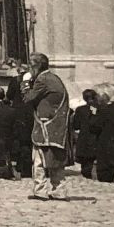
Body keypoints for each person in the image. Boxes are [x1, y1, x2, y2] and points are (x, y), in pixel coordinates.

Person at [25, 53, 71, 202]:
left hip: (46, 125)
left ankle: (40, 191)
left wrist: (25, 84)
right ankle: (59, 190)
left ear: (37, 66)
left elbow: (28, 98)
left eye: (31, 66)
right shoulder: (54, 78)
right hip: (57, 124)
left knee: (39, 160)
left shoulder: (42, 79)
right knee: (55, 160)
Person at [72, 90, 102, 179]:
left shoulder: (80, 109)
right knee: (90, 158)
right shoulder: (95, 109)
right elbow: (95, 121)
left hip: (82, 138)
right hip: (93, 137)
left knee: (84, 160)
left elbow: (76, 125)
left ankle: (86, 173)